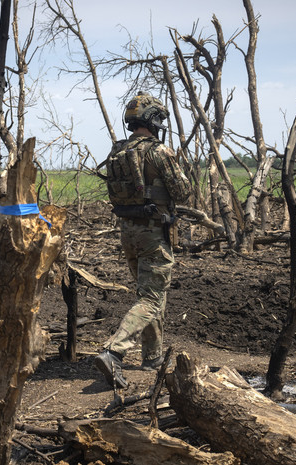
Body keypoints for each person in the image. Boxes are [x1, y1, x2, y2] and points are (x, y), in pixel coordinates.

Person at [94, 92, 192, 389]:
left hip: (129, 233)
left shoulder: (117, 152)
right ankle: (114, 350)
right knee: (150, 296)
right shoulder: (159, 152)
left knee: (151, 294)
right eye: (159, 118)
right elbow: (183, 192)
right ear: (152, 120)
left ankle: (152, 356)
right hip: (153, 233)